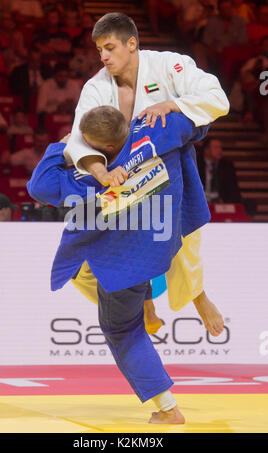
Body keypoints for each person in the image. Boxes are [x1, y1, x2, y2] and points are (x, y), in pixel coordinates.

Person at [27, 105, 213, 424]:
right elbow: (200, 125)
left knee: (122, 330)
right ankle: (151, 305)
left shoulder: (87, 178)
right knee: (84, 271)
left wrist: (63, 145)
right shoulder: (154, 137)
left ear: (104, 148)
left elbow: (39, 186)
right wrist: (170, 106)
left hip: (120, 262)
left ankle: (168, 409)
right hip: (161, 239)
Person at [62, 12, 229, 337]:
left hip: (165, 169)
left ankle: (198, 296)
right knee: (77, 263)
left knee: (180, 235)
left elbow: (217, 98)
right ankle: (136, 303)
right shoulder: (96, 86)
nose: (103, 56)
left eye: (109, 47)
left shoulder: (169, 66)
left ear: (132, 44)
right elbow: (80, 136)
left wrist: (172, 104)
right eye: (99, 49)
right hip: (117, 174)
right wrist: (99, 171)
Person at [197, 137, 242, 203]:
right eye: (216, 148)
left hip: (221, 203)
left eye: (220, 148)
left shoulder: (226, 166)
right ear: (206, 150)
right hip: (200, 203)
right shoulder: (196, 164)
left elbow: (233, 189)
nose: (220, 150)